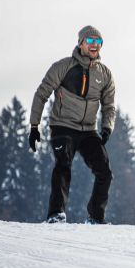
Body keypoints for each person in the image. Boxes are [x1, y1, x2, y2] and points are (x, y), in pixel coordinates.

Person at [28, 25, 116, 224]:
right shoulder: (63, 66)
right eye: (90, 41)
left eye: (98, 42)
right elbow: (41, 94)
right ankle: (56, 214)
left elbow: (109, 105)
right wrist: (34, 127)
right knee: (63, 165)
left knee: (105, 172)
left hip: (88, 131)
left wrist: (107, 127)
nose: (95, 45)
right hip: (63, 127)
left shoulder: (106, 74)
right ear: (81, 43)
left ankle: (96, 216)